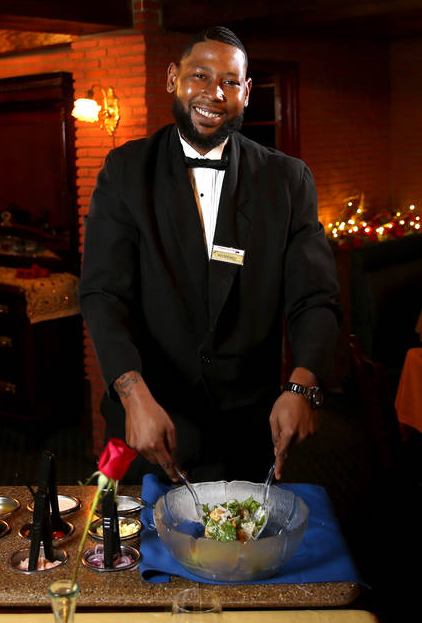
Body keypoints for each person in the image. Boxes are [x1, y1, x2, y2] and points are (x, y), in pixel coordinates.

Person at [79, 26, 341, 484]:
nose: (213, 93)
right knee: (141, 552)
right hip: (150, 416)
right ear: (172, 79)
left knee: (244, 551)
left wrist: (301, 386)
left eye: (229, 81)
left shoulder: (288, 179)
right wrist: (132, 394)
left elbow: (314, 298)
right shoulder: (124, 170)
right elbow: (103, 294)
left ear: (246, 92)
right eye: (199, 76)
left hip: (249, 424)